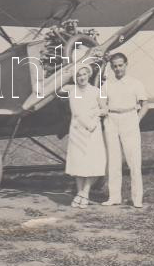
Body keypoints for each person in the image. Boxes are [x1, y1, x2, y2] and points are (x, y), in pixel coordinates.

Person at [101, 53, 149, 208]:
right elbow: (101, 105)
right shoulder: (106, 84)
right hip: (111, 119)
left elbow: (145, 105)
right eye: (115, 66)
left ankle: (137, 198)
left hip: (130, 118)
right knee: (113, 160)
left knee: (134, 161)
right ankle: (114, 197)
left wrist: (136, 120)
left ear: (126, 64)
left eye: (120, 65)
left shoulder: (136, 83)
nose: (118, 69)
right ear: (111, 67)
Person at [63, 64, 107, 209]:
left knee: (91, 162)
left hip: (92, 130)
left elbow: (105, 109)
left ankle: (84, 193)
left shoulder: (96, 91)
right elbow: (58, 87)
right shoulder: (71, 90)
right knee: (78, 162)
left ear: (89, 75)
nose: (81, 77)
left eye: (84, 74)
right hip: (77, 130)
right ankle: (80, 193)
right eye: (78, 75)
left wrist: (95, 115)